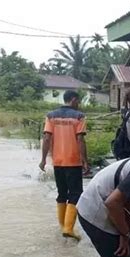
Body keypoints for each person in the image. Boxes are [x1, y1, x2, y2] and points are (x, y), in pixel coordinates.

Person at [39, 90, 89, 240]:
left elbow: (47, 138)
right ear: (73, 100)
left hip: (58, 162)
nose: (79, 104)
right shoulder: (79, 117)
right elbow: (80, 140)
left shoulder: (51, 116)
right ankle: (68, 228)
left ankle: (63, 227)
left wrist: (43, 159)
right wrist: (85, 160)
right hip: (73, 162)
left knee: (62, 193)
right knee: (75, 194)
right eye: (78, 101)